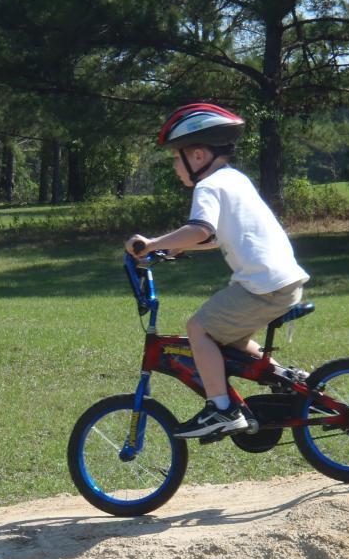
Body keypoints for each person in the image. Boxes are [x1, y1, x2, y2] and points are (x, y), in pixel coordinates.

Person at [126, 103, 310, 439]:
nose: (174, 165)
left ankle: (222, 409)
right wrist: (179, 245)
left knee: (199, 329)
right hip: (282, 280)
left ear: (197, 156)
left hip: (261, 285)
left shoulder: (207, 186)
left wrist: (150, 244)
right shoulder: (234, 180)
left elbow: (199, 228)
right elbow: (212, 237)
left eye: (175, 157)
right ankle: (288, 380)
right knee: (234, 341)